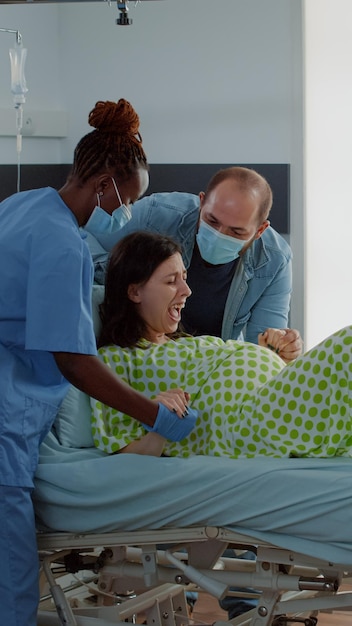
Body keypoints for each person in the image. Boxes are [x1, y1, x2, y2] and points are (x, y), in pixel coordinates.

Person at [0, 99, 197, 626]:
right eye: (129, 199)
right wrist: (152, 416)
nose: (127, 211)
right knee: (10, 569)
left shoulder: (20, 205)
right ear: (106, 183)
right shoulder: (63, 244)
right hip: (6, 414)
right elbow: (73, 359)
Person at [89, 231, 352, 463]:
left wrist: (272, 357)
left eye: (184, 277)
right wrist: (160, 421)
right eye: (171, 282)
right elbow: (124, 452)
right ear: (134, 292)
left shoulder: (184, 344)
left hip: (269, 401)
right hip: (245, 425)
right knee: (347, 343)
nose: (187, 290)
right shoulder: (114, 359)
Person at [84, 166, 292, 345]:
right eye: (212, 221)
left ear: (260, 230)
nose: (219, 234)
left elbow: (261, 352)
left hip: (208, 364)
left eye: (236, 232)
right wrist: (115, 280)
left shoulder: (275, 260)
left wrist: (280, 347)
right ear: (201, 203)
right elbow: (84, 240)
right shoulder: (156, 216)